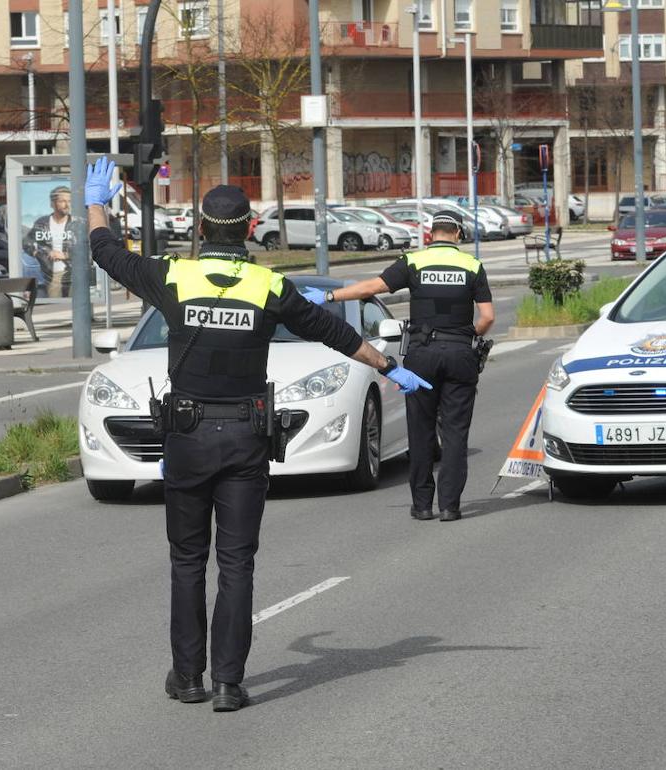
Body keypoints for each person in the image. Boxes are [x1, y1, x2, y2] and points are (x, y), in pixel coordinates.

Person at [83, 156, 430, 712]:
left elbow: (107, 254)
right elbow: (335, 333)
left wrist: (96, 203)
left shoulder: (174, 276)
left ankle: (187, 677)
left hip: (188, 435)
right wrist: (391, 369)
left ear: (200, 230)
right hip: (246, 435)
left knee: (187, 561)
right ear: (248, 230)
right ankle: (227, 683)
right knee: (237, 563)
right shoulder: (270, 286)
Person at [302, 212, 495, 522]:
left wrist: (329, 295)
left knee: (419, 432)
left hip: (422, 354)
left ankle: (422, 505)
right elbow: (487, 317)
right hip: (459, 353)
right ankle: (450, 506)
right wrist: (467, 337)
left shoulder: (413, 261)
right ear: (458, 234)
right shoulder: (473, 266)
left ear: (431, 234)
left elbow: (371, 288)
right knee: (455, 433)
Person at [27, 185, 78, 297]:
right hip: (51, 272)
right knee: (55, 302)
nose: (67, 205)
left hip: (73, 271)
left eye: (69, 201)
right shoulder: (42, 223)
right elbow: (26, 242)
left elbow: (86, 248)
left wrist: (66, 255)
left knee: (74, 302)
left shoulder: (76, 224)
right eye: (63, 201)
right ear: (53, 204)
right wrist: (40, 253)